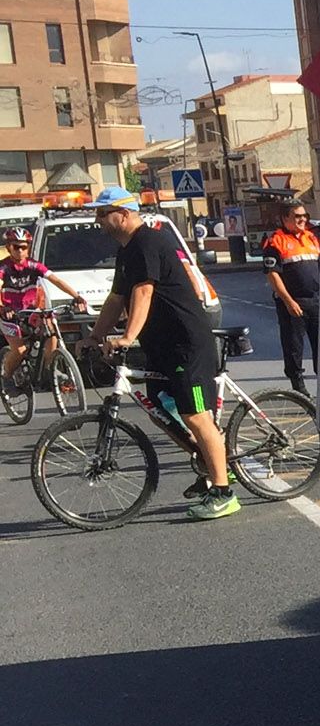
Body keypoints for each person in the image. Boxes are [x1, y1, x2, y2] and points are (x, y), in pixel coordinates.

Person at [84, 188, 238, 520]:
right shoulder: (127, 251)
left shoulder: (148, 242)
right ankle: (211, 465)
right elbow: (116, 298)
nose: (98, 220)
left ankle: (224, 491)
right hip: (161, 346)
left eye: (101, 213)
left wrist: (127, 337)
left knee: (196, 415)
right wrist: (95, 336)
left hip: (186, 344)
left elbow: (143, 290)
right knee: (161, 410)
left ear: (122, 214)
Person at [2, 228, 85, 385]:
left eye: (24, 247)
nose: (20, 251)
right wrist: (3, 307)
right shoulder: (3, 267)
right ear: (8, 248)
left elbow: (57, 280)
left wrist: (76, 296)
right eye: (15, 247)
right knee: (20, 351)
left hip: (31, 311)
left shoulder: (34, 265)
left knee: (50, 329)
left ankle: (50, 368)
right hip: (10, 314)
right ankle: (6, 378)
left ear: (29, 248)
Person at [258, 202, 320, 394]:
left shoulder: (311, 238)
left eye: (305, 216)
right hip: (294, 303)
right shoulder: (276, 241)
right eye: (297, 216)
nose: (303, 219)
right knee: (294, 347)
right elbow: (272, 274)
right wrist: (289, 301)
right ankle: (299, 389)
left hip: (316, 300)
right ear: (285, 219)